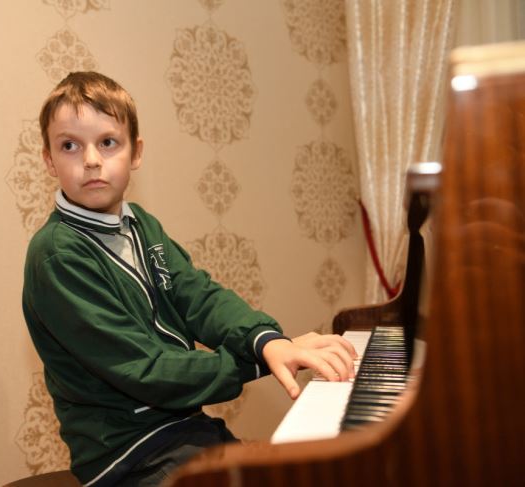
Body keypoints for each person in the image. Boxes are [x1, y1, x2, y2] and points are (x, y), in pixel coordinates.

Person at [22, 71, 357, 487]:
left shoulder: (140, 225)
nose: (91, 159)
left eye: (107, 142)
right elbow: (145, 370)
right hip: (128, 454)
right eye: (70, 145)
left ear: (135, 152)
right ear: (49, 160)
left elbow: (199, 297)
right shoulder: (58, 254)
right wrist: (255, 363)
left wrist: (268, 341)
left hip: (181, 427)